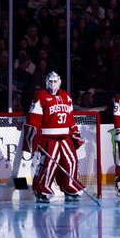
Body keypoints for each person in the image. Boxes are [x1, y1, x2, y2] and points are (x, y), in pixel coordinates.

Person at [24, 70, 85, 203]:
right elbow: (34, 118)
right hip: (48, 138)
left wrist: (74, 132)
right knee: (49, 163)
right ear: (46, 82)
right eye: (50, 81)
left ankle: (69, 186)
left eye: (55, 81)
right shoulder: (41, 96)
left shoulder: (66, 96)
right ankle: (42, 189)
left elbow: (70, 118)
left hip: (65, 137)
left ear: (59, 82)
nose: (53, 84)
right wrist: (35, 137)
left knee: (72, 161)